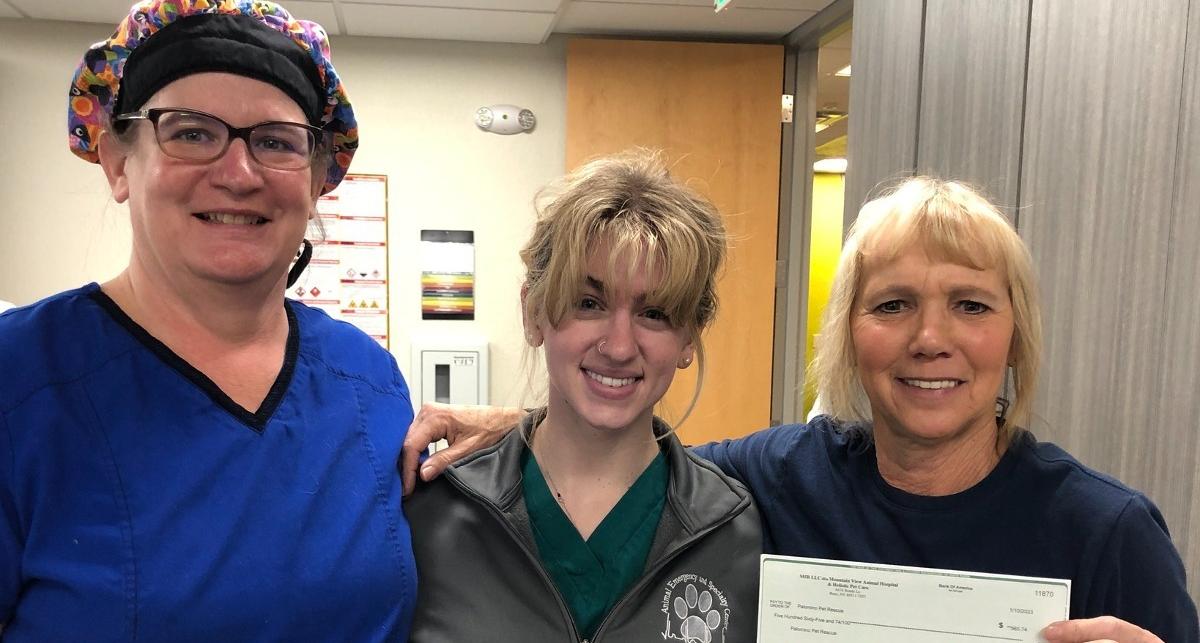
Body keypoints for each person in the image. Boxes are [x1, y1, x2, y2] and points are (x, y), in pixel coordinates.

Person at [403, 177, 1199, 643]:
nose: (930, 338)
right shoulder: (776, 481)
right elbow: (620, 451)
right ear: (849, 335)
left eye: (970, 304)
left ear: (1016, 334)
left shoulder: (1108, 534)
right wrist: (510, 427)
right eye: (892, 304)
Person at [0, 1, 416, 639]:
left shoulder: (368, 379)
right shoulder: (21, 378)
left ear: (315, 179)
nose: (239, 173)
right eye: (191, 132)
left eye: (276, 142)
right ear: (118, 161)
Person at [405, 150, 762, 642]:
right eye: (588, 303)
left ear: (688, 339)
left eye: (654, 313)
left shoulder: (734, 531)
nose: (618, 346)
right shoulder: (436, 512)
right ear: (534, 312)